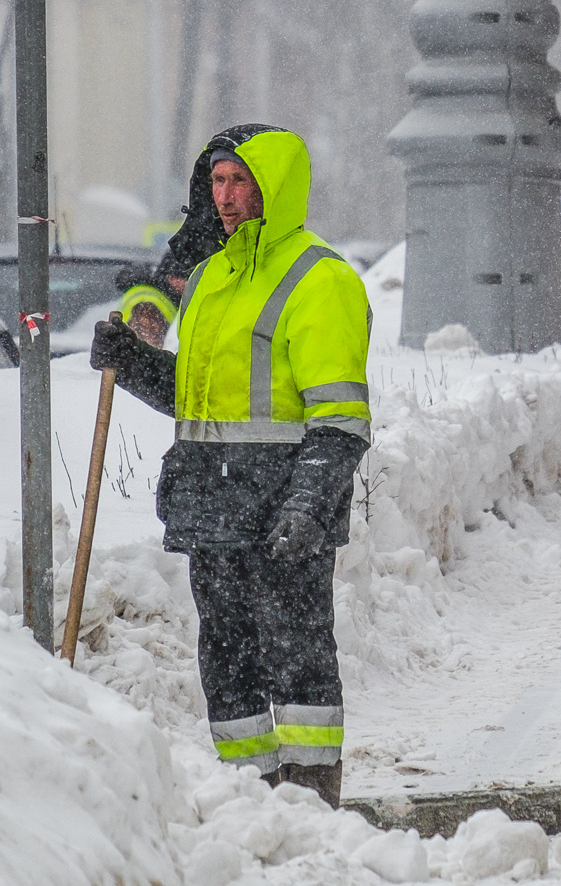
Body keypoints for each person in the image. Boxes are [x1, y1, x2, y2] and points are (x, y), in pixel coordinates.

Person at [90, 124, 372, 805]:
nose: (225, 195)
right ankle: (250, 794)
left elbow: (339, 417)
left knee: (297, 657)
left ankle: (310, 797)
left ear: (272, 187)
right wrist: (132, 366)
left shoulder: (319, 277)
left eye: (239, 180)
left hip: (280, 506)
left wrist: (308, 503)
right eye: (216, 181)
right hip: (212, 507)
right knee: (227, 661)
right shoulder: (213, 277)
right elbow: (196, 398)